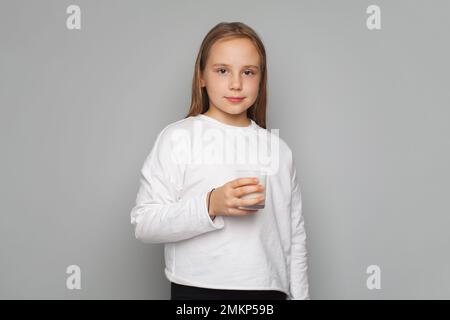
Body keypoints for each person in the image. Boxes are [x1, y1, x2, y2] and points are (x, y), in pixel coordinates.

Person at [130, 22, 309, 300]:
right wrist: (210, 204)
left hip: (268, 292)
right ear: (202, 76)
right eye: (222, 70)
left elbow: (294, 238)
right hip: (198, 291)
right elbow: (145, 223)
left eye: (248, 72)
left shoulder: (279, 150)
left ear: (261, 79)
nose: (236, 83)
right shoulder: (179, 138)